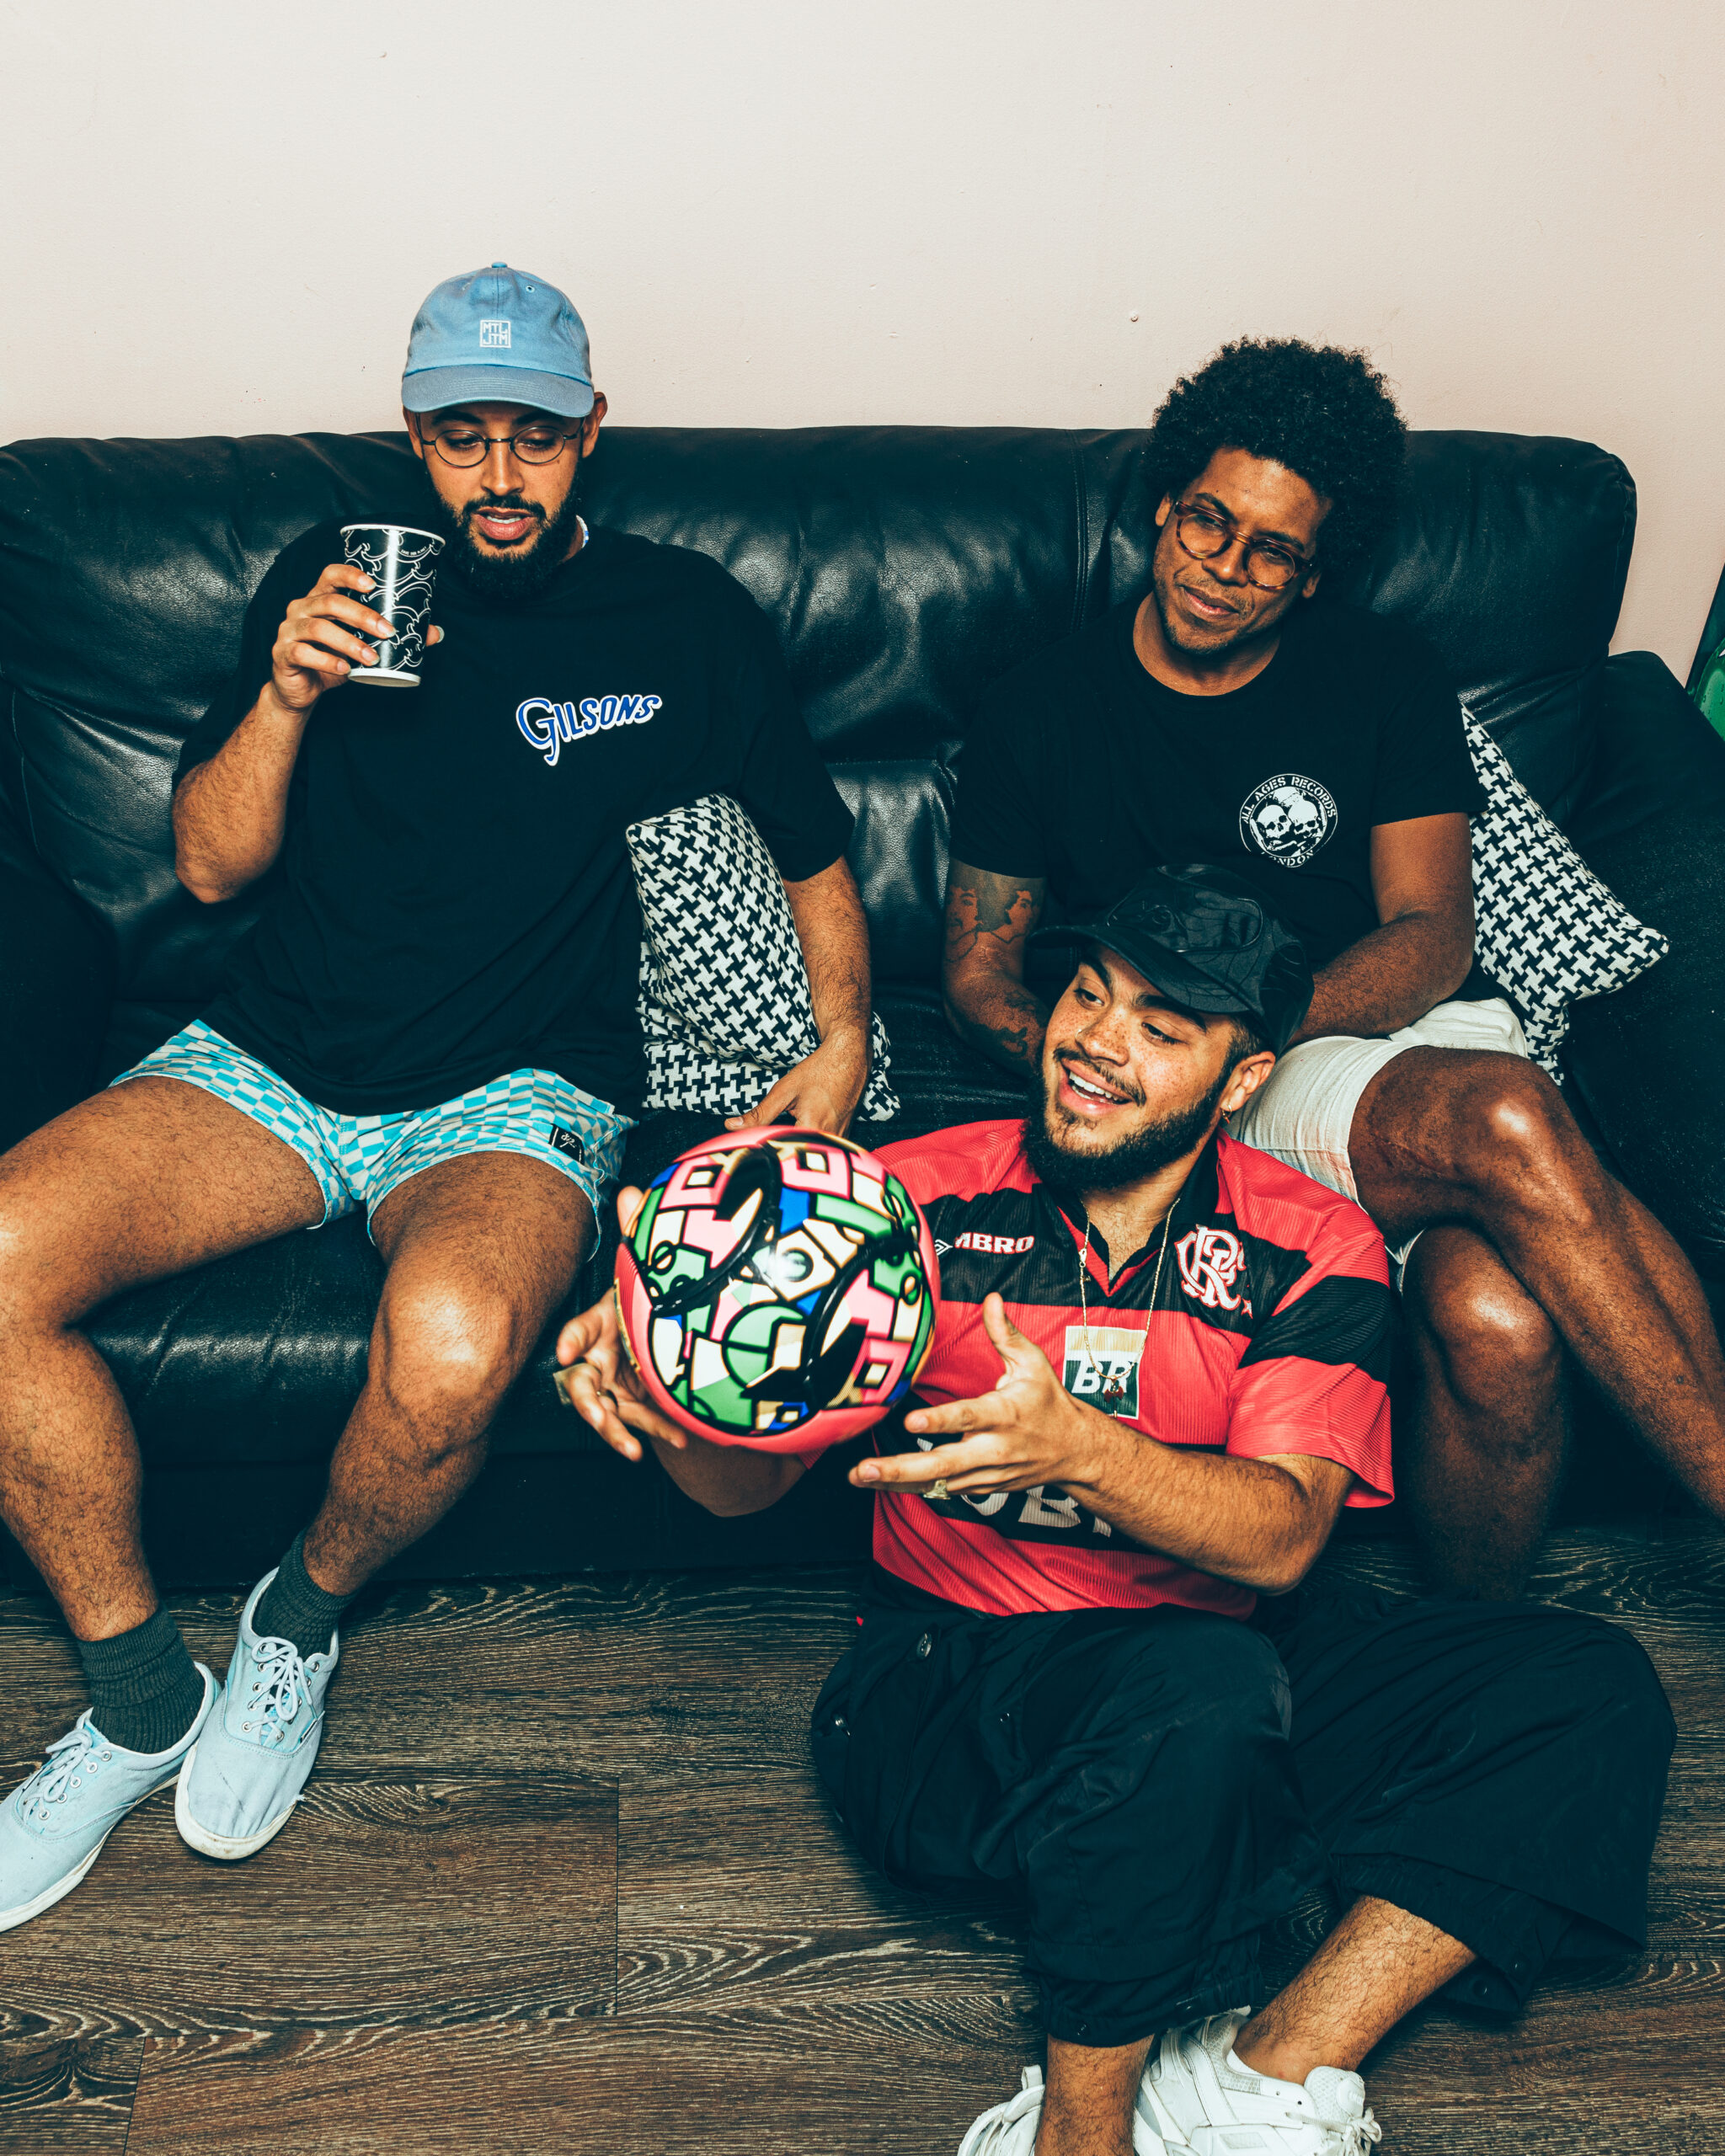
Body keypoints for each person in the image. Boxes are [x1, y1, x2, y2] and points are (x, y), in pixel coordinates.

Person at [0, 263, 870, 1929]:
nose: (499, 473)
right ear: (414, 440)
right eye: (461, 437)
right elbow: (208, 865)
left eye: (532, 437)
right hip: (270, 1058)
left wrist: (836, 1040)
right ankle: (138, 1698)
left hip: (515, 1092)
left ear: (589, 432)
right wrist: (287, 690)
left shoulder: (683, 617)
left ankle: (296, 1619)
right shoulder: (324, 582)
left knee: (459, 1347)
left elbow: (814, 844)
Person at [557, 870, 1673, 2156]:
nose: (1094, 1041)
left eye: (1160, 1027)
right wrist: (677, 1383)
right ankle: (1076, 2136)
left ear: (1242, 1081)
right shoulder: (901, 1205)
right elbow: (746, 1490)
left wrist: (1083, 1451)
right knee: (1192, 1690)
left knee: (1586, 1686)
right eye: (1087, 996)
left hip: (1233, 1657)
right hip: (952, 1680)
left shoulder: (1314, 1244)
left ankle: (1260, 2075)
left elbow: (1283, 1538)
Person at [940, 335, 1725, 1599]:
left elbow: (1436, 931)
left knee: (1494, 1319)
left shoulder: (1382, 675)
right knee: (1509, 1130)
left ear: (1311, 574)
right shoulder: (1043, 703)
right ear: (1166, 506)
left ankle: (1473, 1653)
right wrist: (1121, 1068)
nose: (1225, 570)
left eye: (1272, 553)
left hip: (1359, 1027)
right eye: (1210, 522)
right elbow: (981, 969)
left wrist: (1279, 1017)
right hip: (1220, 1076)